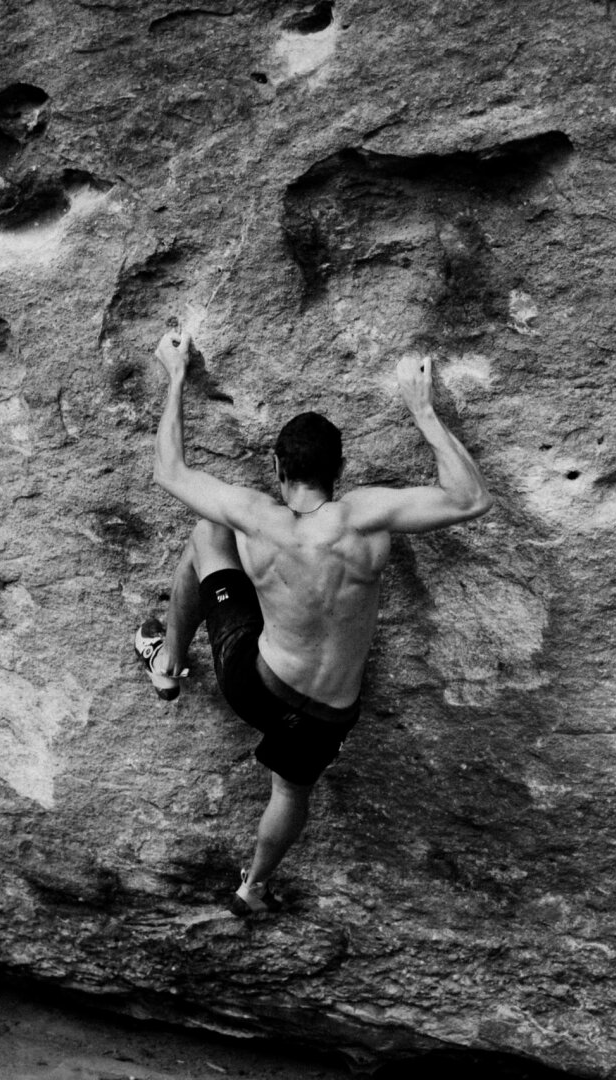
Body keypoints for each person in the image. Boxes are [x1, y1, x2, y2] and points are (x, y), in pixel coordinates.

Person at [135, 329, 492, 917]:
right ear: (341, 469)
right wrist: (422, 409)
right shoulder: (366, 518)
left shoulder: (257, 516)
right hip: (326, 716)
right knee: (290, 790)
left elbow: (169, 473)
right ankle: (253, 886)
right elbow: (470, 498)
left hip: (258, 684)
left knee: (206, 531)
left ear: (277, 467)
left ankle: (167, 664)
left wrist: (175, 375)